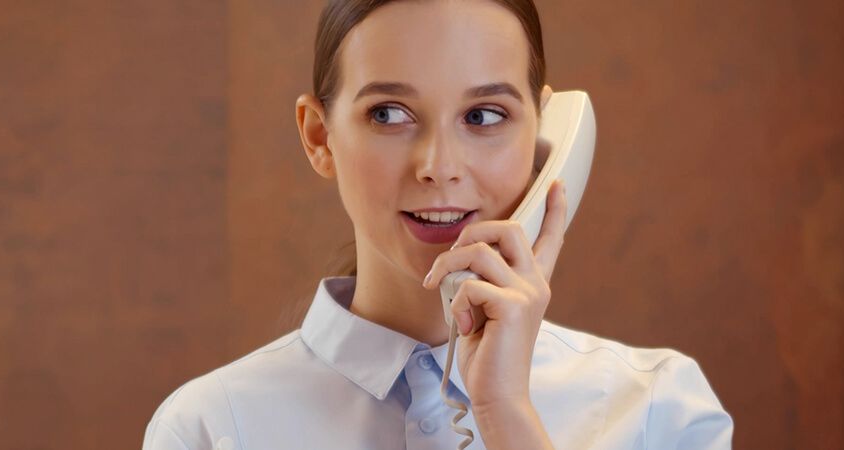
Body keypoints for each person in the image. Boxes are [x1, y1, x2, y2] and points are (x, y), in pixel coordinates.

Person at [143, 0, 733, 448]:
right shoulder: (209, 427)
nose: (440, 166)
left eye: (484, 115)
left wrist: (506, 413)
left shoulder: (658, 408)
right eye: (389, 114)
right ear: (320, 136)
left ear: (545, 135)